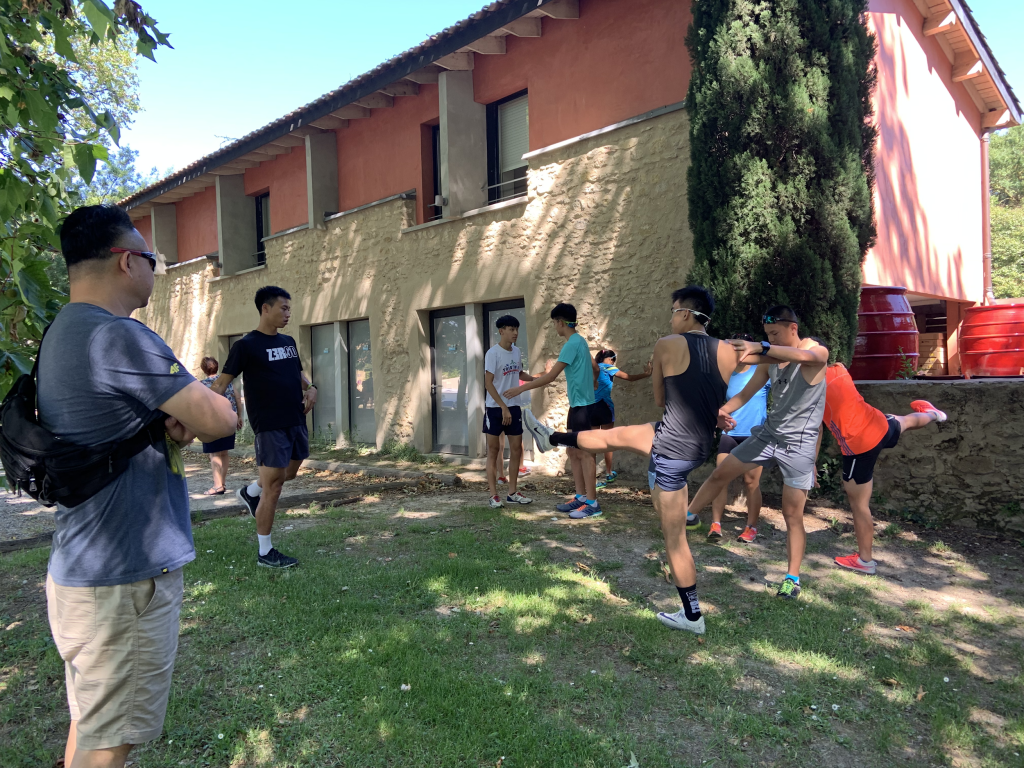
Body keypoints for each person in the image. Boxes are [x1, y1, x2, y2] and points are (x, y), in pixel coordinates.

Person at [38, 204, 237, 768]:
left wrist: (171, 422)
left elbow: (125, 425)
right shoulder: (119, 337)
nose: (157, 269)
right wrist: (216, 412)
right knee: (109, 743)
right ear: (127, 262)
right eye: (153, 259)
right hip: (122, 581)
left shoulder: (63, 332)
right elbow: (218, 420)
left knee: (91, 719)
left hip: (84, 572)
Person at [523, 286, 740, 635]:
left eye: (673, 311)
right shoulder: (729, 351)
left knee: (675, 538)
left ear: (685, 314)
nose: (670, 317)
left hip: (672, 446)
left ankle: (692, 616)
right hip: (698, 443)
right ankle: (551, 438)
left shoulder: (668, 344)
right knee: (615, 436)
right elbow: (717, 392)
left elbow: (658, 398)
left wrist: (664, 372)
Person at [684, 306, 829, 600]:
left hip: (799, 444)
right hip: (768, 434)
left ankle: (792, 578)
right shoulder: (770, 361)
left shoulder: (816, 351)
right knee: (720, 473)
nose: (771, 339)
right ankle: (687, 517)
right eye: (767, 335)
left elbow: (808, 358)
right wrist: (719, 413)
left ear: (793, 328)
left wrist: (761, 347)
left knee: (792, 515)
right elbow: (743, 395)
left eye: (775, 334)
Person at [212, 286, 317, 569]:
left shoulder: (289, 341)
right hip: (269, 425)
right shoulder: (246, 346)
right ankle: (265, 552)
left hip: (295, 418)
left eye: (289, 309)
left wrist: (312, 388)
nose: (287, 313)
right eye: (283, 308)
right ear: (265, 309)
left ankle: (250, 492)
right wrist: (213, 414)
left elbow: (297, 374)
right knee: (275, 485)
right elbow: (220, 385)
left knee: (289, 473)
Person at [819, 361, 947, 575]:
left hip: (858, 446)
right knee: (906, 421)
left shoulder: (811, 387)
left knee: (859, 505)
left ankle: (865, 561)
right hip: (878, 423)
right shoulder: (838, 369)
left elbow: (815, 428)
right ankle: (934, 414)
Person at [503, 303, 601, 518]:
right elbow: (595, 367)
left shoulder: (571, 344)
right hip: (577, 405)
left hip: (584, 407)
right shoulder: (581, 342)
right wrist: (594, 381)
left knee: (585, 453)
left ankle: (593, 504)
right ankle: (581, 497)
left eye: (555, 323)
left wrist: (521, 387)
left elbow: (551, 377)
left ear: (560, 322)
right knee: (573, 451)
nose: (555, 327)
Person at [708, 333, 769, 543]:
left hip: (755, 436)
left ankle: (751, 527)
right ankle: (715, 525)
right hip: (730, 434)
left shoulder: (761, 372)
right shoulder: (726, 374)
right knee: (719, 478)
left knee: (751, 482)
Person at [483, 314, 537, 508]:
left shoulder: (516, 352)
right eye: (511, 329)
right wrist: (503, 407)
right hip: (495, 409)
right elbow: (488, 384)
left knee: (515, 450)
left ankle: (512, 492)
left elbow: (519, 372)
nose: (515, 333)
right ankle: (493, 495)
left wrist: (538, 378)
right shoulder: (492, 353)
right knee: (493, 451)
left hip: (514, 407)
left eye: (517, 329)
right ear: (501, 331)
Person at [593, 349, 653, 489]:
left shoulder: (593, 368)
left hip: (591, 407)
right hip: (605, 406)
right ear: (608, 359)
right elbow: (628, 377)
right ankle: (608, 473)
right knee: (608, 440)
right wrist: (646, 374)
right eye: (613, 359)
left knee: (593, 440)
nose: (613, 362)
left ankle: (592, 476)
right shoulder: (608, 367)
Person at [198, 356, 245, 495]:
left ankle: (217, 486)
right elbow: (237, 397)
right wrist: (239, 416)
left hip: (212, 423)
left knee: (214, 454)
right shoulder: (227, 382)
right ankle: (222, 483)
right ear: (217, 366)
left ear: (203, 369)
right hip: (229, 421)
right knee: (224, 453)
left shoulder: (202, 385)